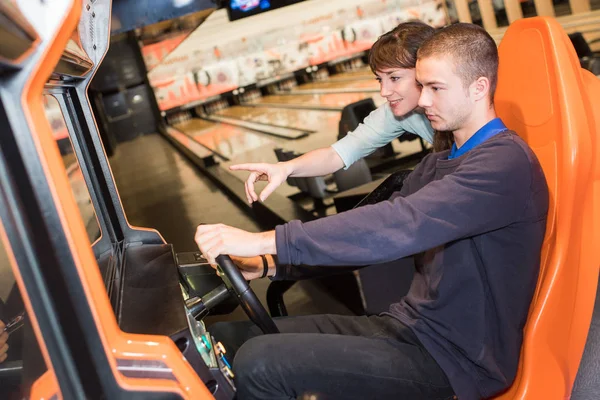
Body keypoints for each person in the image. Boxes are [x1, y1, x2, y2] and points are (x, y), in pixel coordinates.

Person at [195, 23, 549, 400]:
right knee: (232, 339)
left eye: (434, 88)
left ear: (479, 87)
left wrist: (267, 239)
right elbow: (369, 230)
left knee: (261, 361)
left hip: (457, 360)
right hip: (408, 328)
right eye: (423, 86)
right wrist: (269, 263)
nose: (423, 101)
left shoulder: (504, 163)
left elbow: (400, 224)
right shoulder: (438, 165)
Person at [230, 21, 453, 204]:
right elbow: (337, 154)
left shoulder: (471, 104)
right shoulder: (396, 114)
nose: (384, 91)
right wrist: (285, 168)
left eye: (394, 78)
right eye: (380, 79)